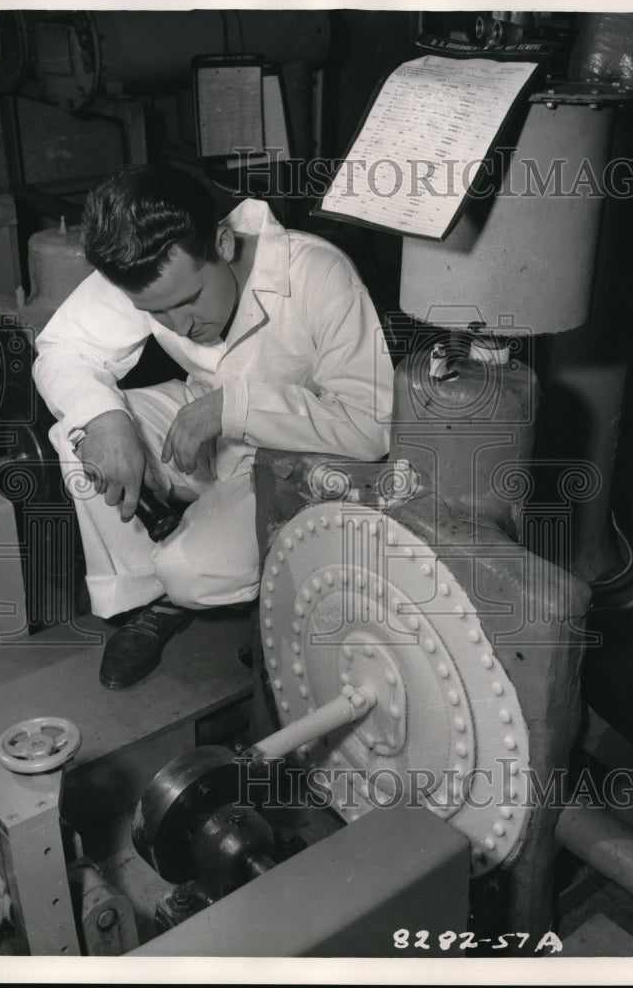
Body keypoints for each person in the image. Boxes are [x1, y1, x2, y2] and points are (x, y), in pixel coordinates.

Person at [33, 164, 393, 689]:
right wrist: (108, 421)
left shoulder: (317, 273)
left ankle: (192, 577)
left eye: (186, 302)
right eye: (155, 313)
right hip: (197, 425)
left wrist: (233, 408)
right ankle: (146, 594)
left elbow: (370, 424)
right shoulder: (148, 264)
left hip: (290, 457)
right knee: (79, 431)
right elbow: (63, 348)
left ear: (222, 243)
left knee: (190, 573)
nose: (180, 327)